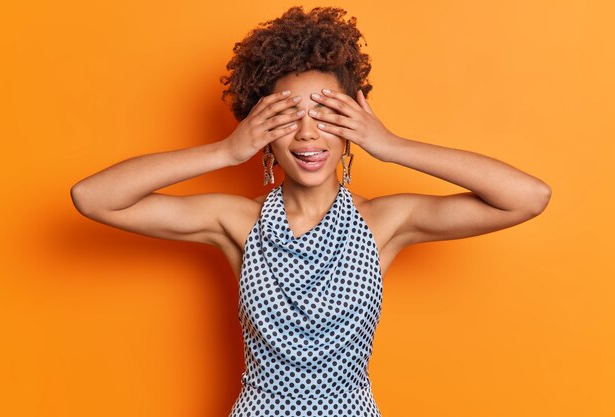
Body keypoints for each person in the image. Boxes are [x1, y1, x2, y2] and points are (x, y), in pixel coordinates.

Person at [70, 5, 551, 416]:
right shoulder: (237, 222)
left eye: (324, 115)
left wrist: (393, 146)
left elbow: (528, 197)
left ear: (351, 124)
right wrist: (225, 153)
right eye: (286, 117)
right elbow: (94, 198)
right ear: (260, 126)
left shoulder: (383, 223)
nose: (307, 135)